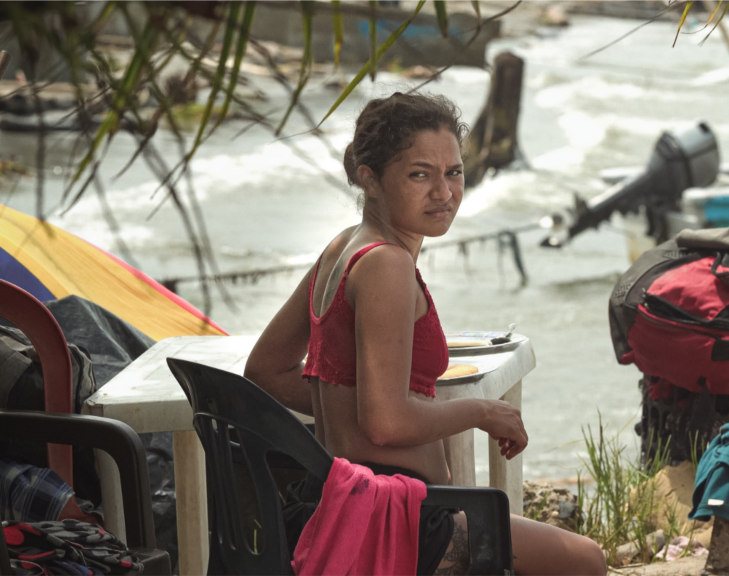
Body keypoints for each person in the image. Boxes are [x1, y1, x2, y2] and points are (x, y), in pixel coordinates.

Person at [244, 92, 607, 576]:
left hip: (336, 499)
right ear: (369, 179)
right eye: (420, 174)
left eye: (453, 172)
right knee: (585, 561)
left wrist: (352, 401)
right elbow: (386, 424)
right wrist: (482, 411)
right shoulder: (386, 265)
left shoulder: (342, 249)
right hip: (394, 518)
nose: (444, 192)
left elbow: (264, 370)